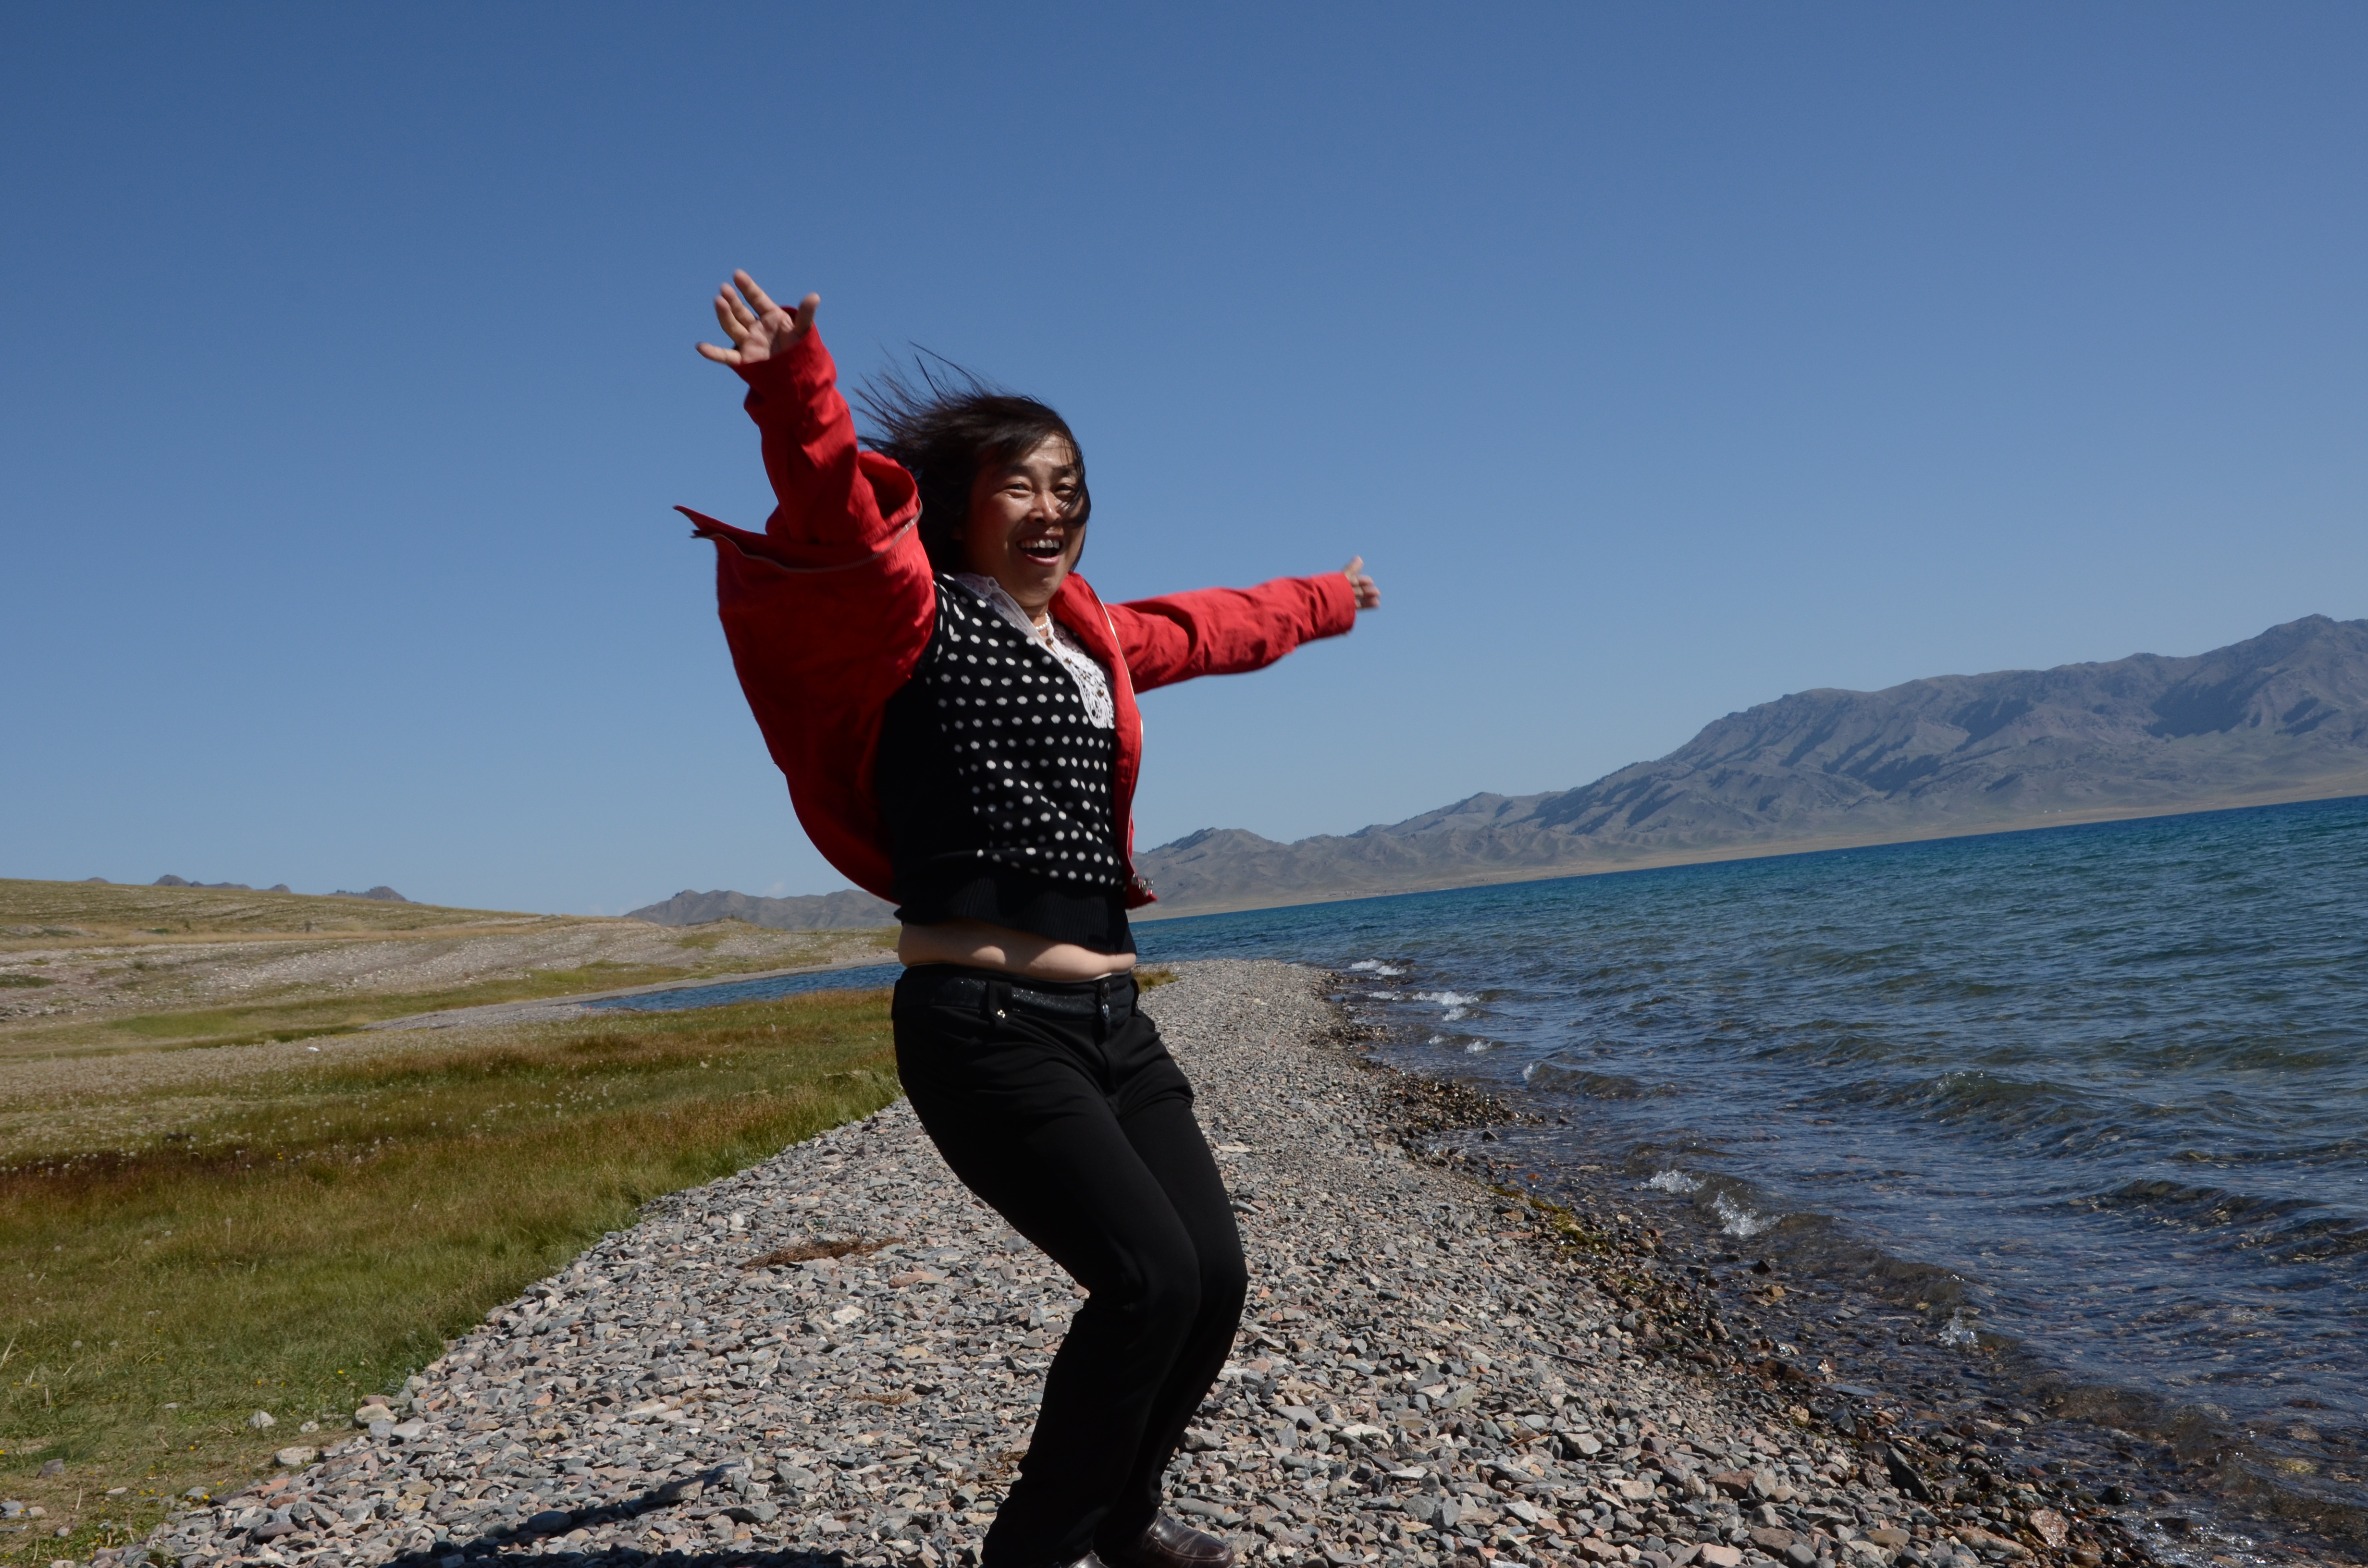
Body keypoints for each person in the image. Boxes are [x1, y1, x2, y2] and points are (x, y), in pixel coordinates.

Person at [684, 271, 1380, 1568]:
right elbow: (836, 513)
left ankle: (1123, 1518)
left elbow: (1208, 628)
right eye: (1022, 484)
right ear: (962, 503)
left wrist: (1327, 602)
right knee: (1146, 1280)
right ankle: (1033, 1552)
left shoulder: (1091, 636)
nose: (1053, 506)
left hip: (1116, 1021)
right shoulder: (908, 612)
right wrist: (794, 389)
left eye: (1070, 484)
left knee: (1211, 1282)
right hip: (986, 1025)